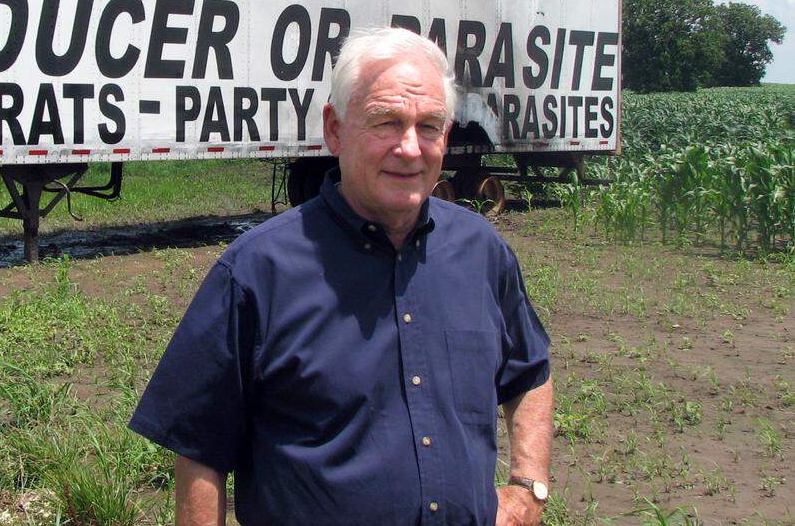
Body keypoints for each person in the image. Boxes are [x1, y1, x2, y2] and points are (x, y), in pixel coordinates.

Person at [129, 27, 553, 526]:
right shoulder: (257, 271)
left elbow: (530, 372)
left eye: (429, 126)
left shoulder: (483, 252)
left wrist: (528, 488)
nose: (410, 147)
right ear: (335, 129)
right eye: (387, 122)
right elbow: (200, 449)